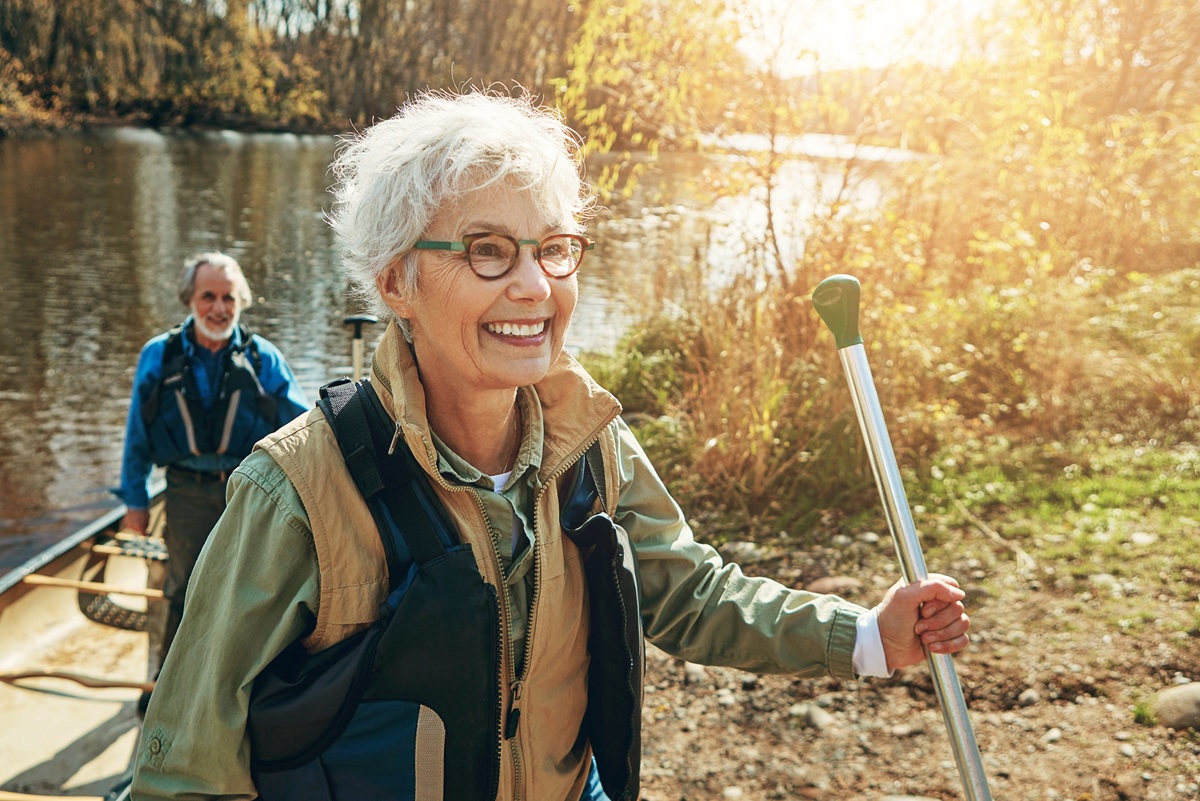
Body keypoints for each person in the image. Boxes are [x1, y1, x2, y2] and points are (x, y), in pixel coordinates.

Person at [131, 91, 973, 801]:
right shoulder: (294, 490)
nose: (535, 285)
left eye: (554, 249)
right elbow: (186, 772)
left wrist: (864, 634)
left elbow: (690, 594)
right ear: (395, 281)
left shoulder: (589, 441)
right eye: (488, 251)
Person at [115, 251, 310, 662]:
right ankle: (167, 685)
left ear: (240, 302)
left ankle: (233, 679)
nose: (219, 309)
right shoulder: (158, 355)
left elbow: (303, 433)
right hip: (185, 493)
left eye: (229, 298)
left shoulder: (264, 358)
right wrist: (135, 500)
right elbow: (137, 434)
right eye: (209, 296)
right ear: (190, 299)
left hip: (249, 492)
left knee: (247, 588)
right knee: (181, 589)